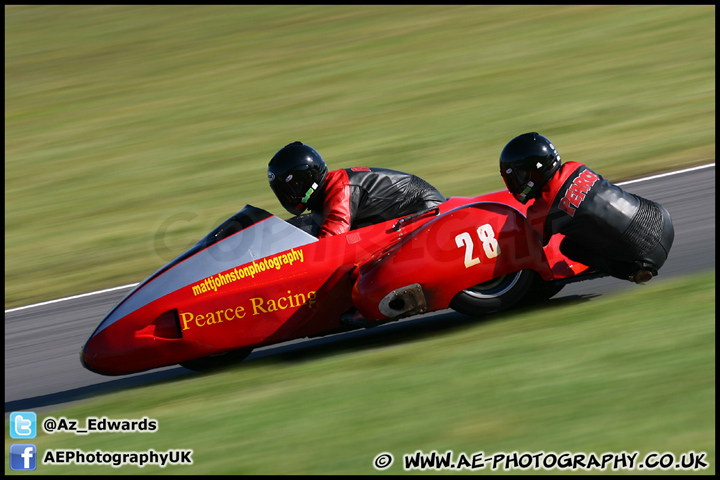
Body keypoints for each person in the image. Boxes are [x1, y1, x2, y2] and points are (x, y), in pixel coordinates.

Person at [499, 132, 674, 284]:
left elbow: (534, 243)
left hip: (642, 254)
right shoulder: (576, 167)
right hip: (662, 219)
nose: (514, 184)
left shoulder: (543, 210)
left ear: (533, 172)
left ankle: (632, 271)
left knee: (568, 247)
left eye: (517, 176)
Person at [268, 141, 446, 238]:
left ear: (305, 180)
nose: (287, 196)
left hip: (426, 210)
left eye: (288, 189)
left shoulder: (339, 189)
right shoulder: (325, 192)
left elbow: (332, 241)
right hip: (403, 215)